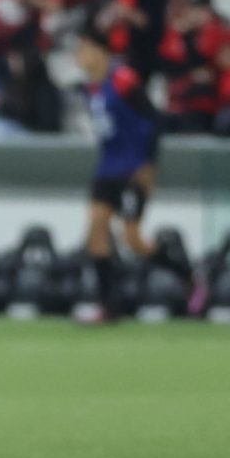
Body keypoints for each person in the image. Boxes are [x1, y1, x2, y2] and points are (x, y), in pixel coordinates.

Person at [74, 34, 160, 319]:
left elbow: (152, 119)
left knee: (133, 239)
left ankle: (186, 276)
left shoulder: (123, 80)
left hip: (133, 168)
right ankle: (108, 305)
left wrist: (148, 165)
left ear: (101, 52)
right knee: (96, 231)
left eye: (84, 49)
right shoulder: (89, 89)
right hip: (107, 168)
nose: (79, 57)